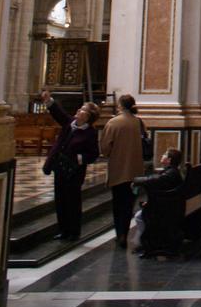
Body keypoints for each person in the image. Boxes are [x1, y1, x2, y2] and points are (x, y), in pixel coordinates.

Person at [41, 88, 100, 241]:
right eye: (80, 109)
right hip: (60, 167)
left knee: (72, 201)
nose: (79, 110)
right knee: (60, 199)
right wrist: (49, 100)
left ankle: (73, 231)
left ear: (88, 117)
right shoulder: (70, 124)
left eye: (82, 110)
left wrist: (79, 158)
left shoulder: (90, 133)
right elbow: (58, 113)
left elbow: (93, 154)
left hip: (74, 171)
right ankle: (63, 230)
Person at [100, 93, 146, 248]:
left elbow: (105, 148)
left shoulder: (113, 123)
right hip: (135, 171)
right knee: (128, 204)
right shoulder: (138, 122)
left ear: (120, 105)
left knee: (118, 203)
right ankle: (124, 232)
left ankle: (120, 233)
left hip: (118, 169)